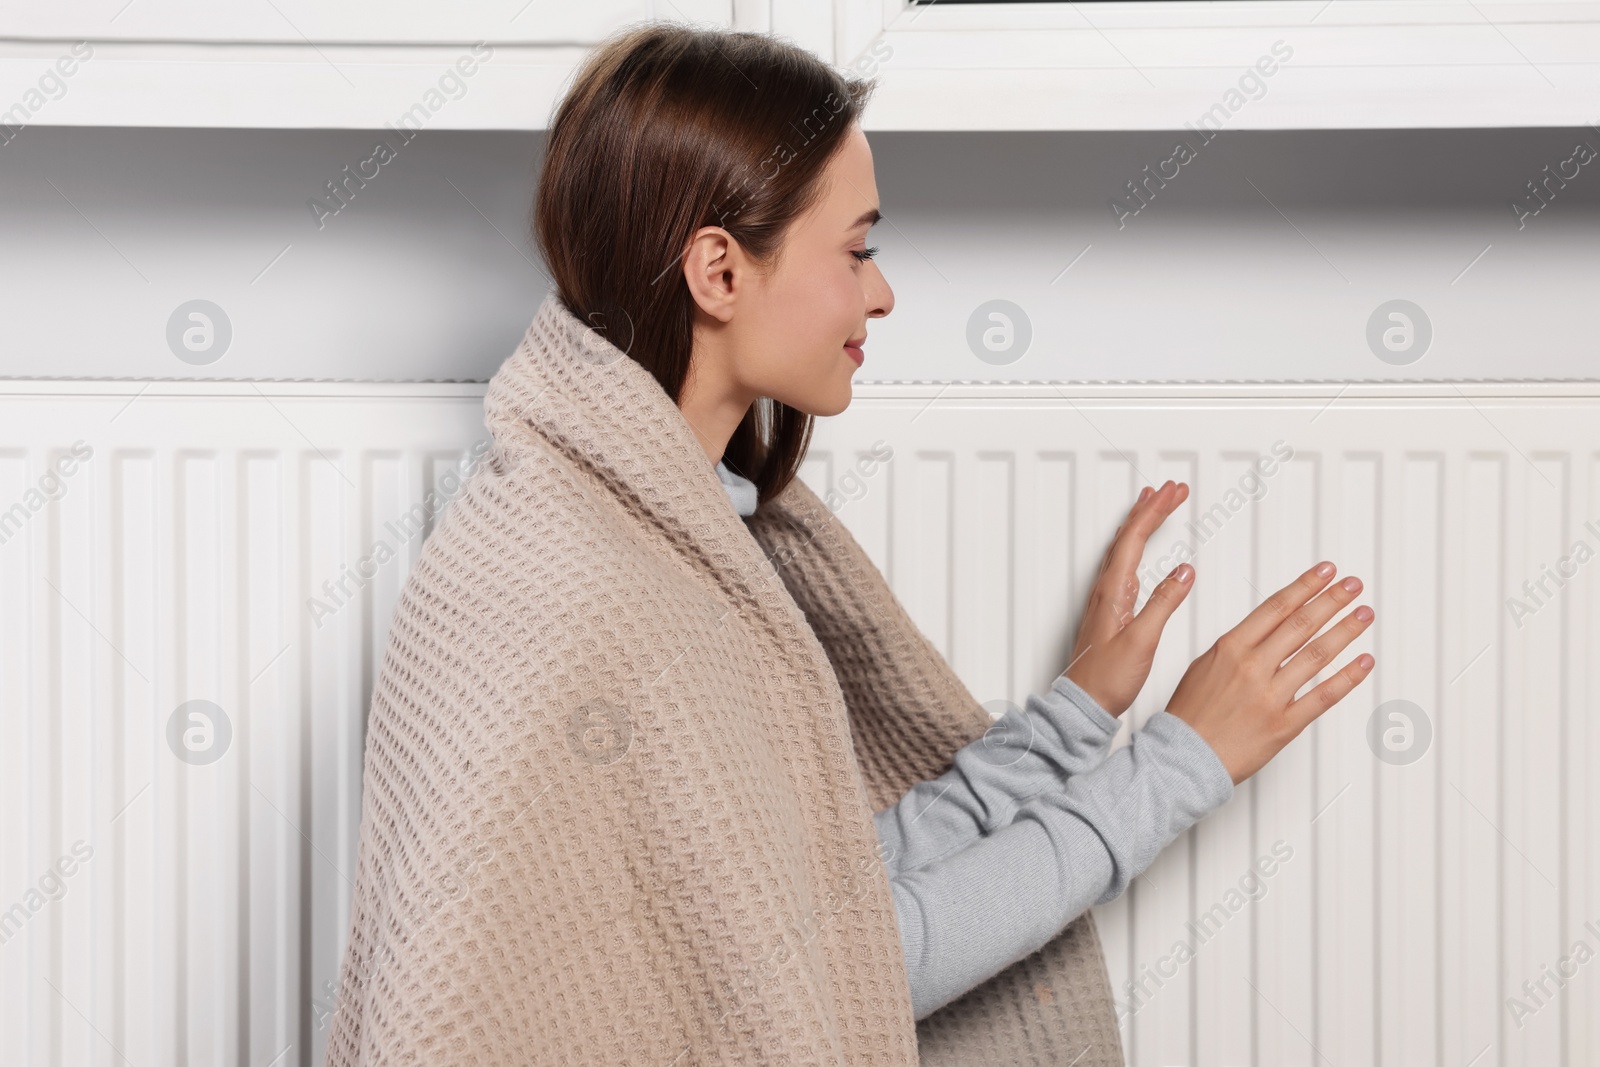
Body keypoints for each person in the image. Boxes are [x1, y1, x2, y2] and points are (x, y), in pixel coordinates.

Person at [322, 22, 1375, 1066]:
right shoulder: (593, 590)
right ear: (719, 273)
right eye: (857, 248)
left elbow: (812, 911)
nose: (881, 292)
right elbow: (851, 967)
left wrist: (1067, 723)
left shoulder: (623, 527)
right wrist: (1174, 766)